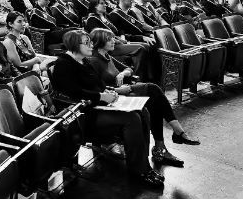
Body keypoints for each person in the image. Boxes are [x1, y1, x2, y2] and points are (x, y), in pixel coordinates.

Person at [48, 30, 165, 189]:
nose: (91, 45)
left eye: (90, 42)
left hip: (98, 105)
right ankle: (140, 170)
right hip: (83, 114)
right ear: (75, 45)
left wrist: (107, 91)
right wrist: (100, 96)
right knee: (132, 119)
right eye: (86, 43)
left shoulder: (83, 60)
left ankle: (141, 161)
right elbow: (73, 93)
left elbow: (97, 84)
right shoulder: (64, 63)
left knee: (142, 111)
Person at [88, 28, 199, 166]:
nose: (113, 41)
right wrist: (122, 89)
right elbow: (101, 91)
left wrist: (122, 74)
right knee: (153, 89)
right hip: (114, 98)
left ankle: (162, 146)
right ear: (100, 41)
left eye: (112, 38)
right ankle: (173, 136)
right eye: (109, 39)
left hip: (123, 92)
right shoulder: (94, 60)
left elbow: (129, 68)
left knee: (155, 102)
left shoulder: (107, 56)